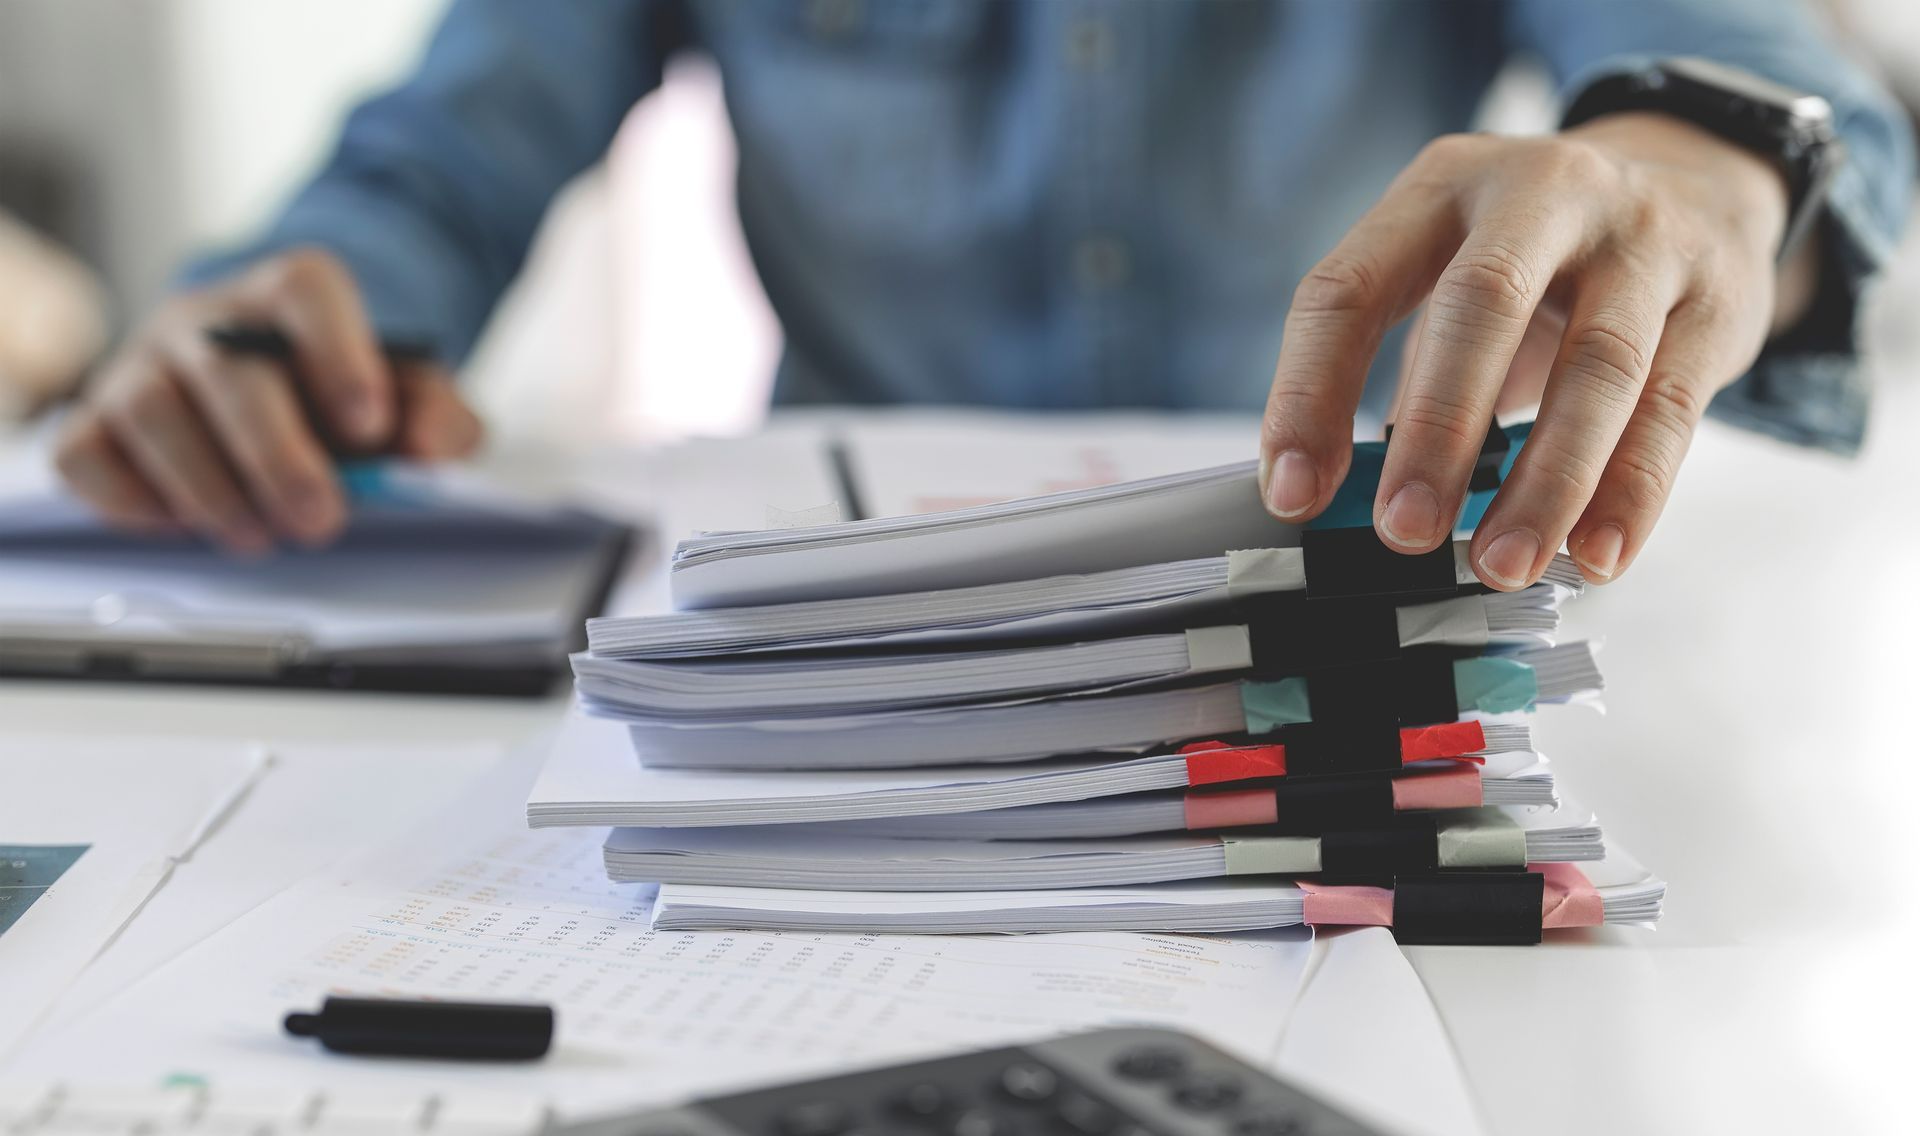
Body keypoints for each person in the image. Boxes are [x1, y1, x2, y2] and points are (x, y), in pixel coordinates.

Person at [53, 0, 1912, 588]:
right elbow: (433, 165)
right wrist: (276, 326)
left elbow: (1757, 89)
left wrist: (1707, 185)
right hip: (821, 633)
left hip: (1343, 595)